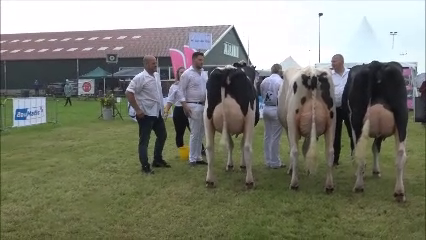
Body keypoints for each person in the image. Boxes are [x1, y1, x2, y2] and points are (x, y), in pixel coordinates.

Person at [126, 55, 170, 174]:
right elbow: (129, 93)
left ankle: (157, 159)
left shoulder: (156, 75)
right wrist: (138, 110)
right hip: (145, 114)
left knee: (162, 135)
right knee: (144, 140)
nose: (155, 65)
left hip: (157, 113)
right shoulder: (140, 78)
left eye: (156, 63)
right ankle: (145, 166)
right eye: (153, 63)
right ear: (145, 65)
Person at [164, 66, 206, 155]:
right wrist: (166, 111)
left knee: (194, 131)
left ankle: (200, 149)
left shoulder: (190, 84)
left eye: (184, 72)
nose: (182, 74)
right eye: (180, 72)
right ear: (178, 74)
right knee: (180, 132)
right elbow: (170, 100)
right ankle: (182, 150)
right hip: (179, 110)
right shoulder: (174, 86)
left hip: (190, 109)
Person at [178, 52, 208, 166]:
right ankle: (192, 159)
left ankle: (198, 156)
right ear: (194, 60)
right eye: (200, 60)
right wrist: (184, 105)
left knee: (201, 133)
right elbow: (180, 91)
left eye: (202, 60)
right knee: (195, 132)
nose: (202, 62)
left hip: (203, 105)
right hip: (192, 105)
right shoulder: (187, 74)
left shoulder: (204, 74)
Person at [331, 54, 354, 166]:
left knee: (352, 132)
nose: (332, 63)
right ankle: (335, 159)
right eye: (332, 61)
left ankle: (355, 155)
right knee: (335, 134)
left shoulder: (350, 74)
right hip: (335, 109)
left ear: (341, 62)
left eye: (334, 61)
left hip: (348, 108)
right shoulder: (330, 75)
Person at [260, 64, 284, 169]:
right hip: (276, 108)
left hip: (266, 108)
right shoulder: (280, 82)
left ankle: (268, 160)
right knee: (275, 136)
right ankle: (275, 161)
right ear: (280, 71)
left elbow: (261, 93)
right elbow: (282, 97)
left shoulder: (264, 81)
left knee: (267, 135)